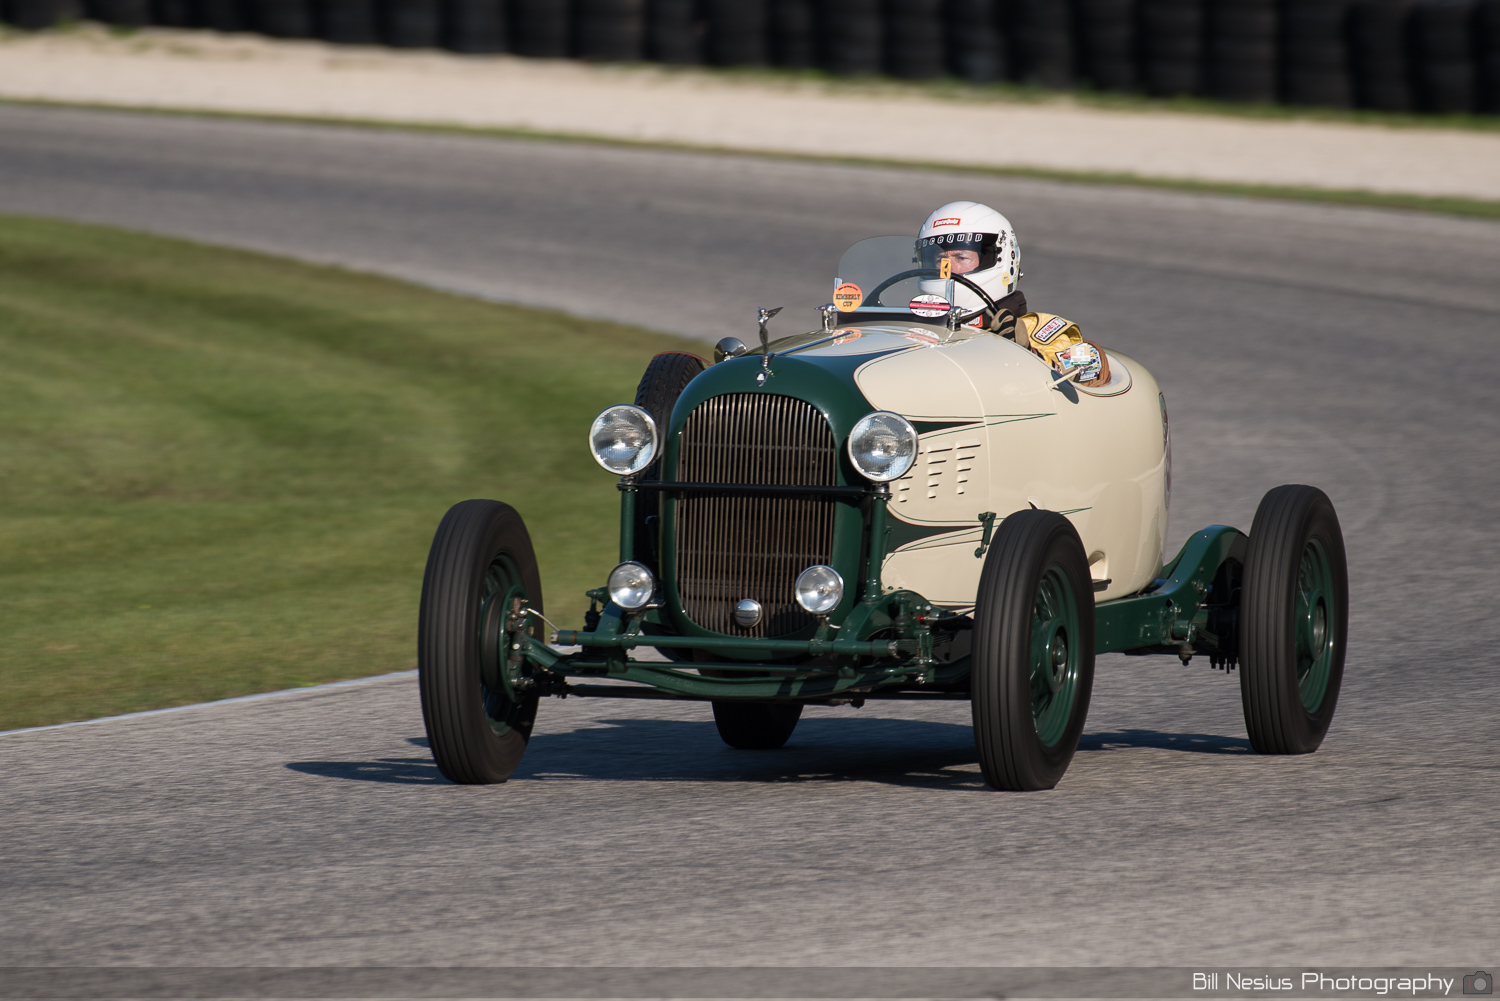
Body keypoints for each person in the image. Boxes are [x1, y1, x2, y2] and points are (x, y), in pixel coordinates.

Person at [917, 201, 1110, 387]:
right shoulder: (913, 330)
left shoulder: (1038, 330)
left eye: (961, 257)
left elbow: (1080, 382)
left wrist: (1026, 353)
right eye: (939, 259)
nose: (947, 268)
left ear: (1000, 258)